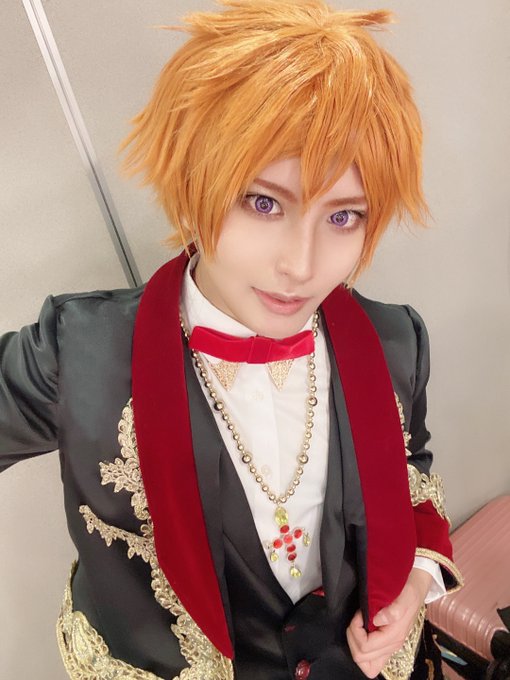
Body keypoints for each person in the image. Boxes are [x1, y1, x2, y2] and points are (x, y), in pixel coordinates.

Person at [0, 1, 463, 678]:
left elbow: (411, 469)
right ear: (196, 182)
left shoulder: (396, 339)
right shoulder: (75, 354)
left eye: (343, 216)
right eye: (263, 202)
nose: (301, 266)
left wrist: (417, 576)